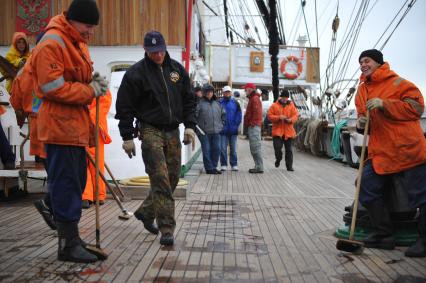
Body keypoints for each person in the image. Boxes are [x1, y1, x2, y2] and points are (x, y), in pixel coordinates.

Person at [30, 0, 108, 263]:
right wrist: (90, 91)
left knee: (75, 181)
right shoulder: (52, 43)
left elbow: (74, 77)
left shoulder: (75, 42)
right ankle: (67, 245)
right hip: (59, 127)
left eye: (93, 27)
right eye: (88, 26)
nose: (90, 32)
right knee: (67, 184)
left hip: (73, 125)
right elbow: (52, 87)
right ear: (73, 20)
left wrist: (92, 80)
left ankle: (62, 223)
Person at [115, 31, 196, 246]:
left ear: (165, 47)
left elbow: (189, 99)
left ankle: (146, 211)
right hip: (149, 129)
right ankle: (167, 228)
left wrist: (190, 126)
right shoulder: (135, 74)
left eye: (160, 51)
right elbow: (124, 106)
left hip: (173, 130)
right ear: (145, 51)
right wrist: (127, 136)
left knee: (172, 176)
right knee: (160, 178)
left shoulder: (177, 70)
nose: (157, 55)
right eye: (152, 52)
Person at [355, 49, 426, 257]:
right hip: (381, 151)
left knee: (422, 196)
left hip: (408, 148)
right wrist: (361, 122)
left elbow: (417, 108)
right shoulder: (361, 90)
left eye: (367, 61)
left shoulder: (398, 83)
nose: (363, 65)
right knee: (366, 186)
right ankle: (384, 235)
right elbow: (361, 116)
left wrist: (385, 104)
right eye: (360, 62)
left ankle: (425, 241)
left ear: (378, 63)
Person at [82, 90, 112, 209]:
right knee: (84, 163)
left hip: (93, 128)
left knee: (93, 163)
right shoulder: (76, 82)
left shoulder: (76, 82)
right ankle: (89, 195)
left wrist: (88, 118)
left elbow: (104, 104)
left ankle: (94, 195)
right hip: (87, 126)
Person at [196, 84, 226, 174]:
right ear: (204, 93)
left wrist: (222, 124)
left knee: (217, 149)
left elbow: (223, 114)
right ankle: (209, 168)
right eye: (207, 92)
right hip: (203, 132)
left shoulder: (217, 103)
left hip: (216, 131)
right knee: (207, 150)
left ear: (213, 93)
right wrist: (198, 129)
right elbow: (194, 116)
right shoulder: (199, 104)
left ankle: (214, 167)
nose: (209, 93)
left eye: (211, 91)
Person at [267, 89, 299, 171]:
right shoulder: (274, 105)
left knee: (289, 150)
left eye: (286, 98)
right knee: (277, 148)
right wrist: (278, 117)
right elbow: (269, 116)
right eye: (283, 97)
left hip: (288, 132)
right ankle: (278, 158)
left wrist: (290, 120)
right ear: (281, 97)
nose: (285, 99)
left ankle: (289, 166)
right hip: (277, 132)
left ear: (288, 98)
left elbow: (296, 115)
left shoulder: (291, 106)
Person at [219, 85, 242, 171]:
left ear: (230, 93)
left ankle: (234, 164)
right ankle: (223, 164)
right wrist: (220, 125)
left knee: (233, 149)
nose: (227, 93)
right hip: (223, 130)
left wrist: (236, 125)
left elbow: (239, 115)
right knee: (222, 149)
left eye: (228, 92)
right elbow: (218, 115)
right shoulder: (219, 103)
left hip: (233, 130)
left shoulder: (235, 103)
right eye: (225, 92)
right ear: (223, 93)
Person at [243, 82, 263, 173]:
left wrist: (252, 123)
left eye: (245, 89)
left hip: (254, 126)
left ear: (249, 90)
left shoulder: (254, 99)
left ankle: (259, 167)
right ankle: (258, 166)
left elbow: (257, 113)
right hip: (253, 126)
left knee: (255, 147)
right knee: (254, 147)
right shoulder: (253, 98)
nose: (244, 91)